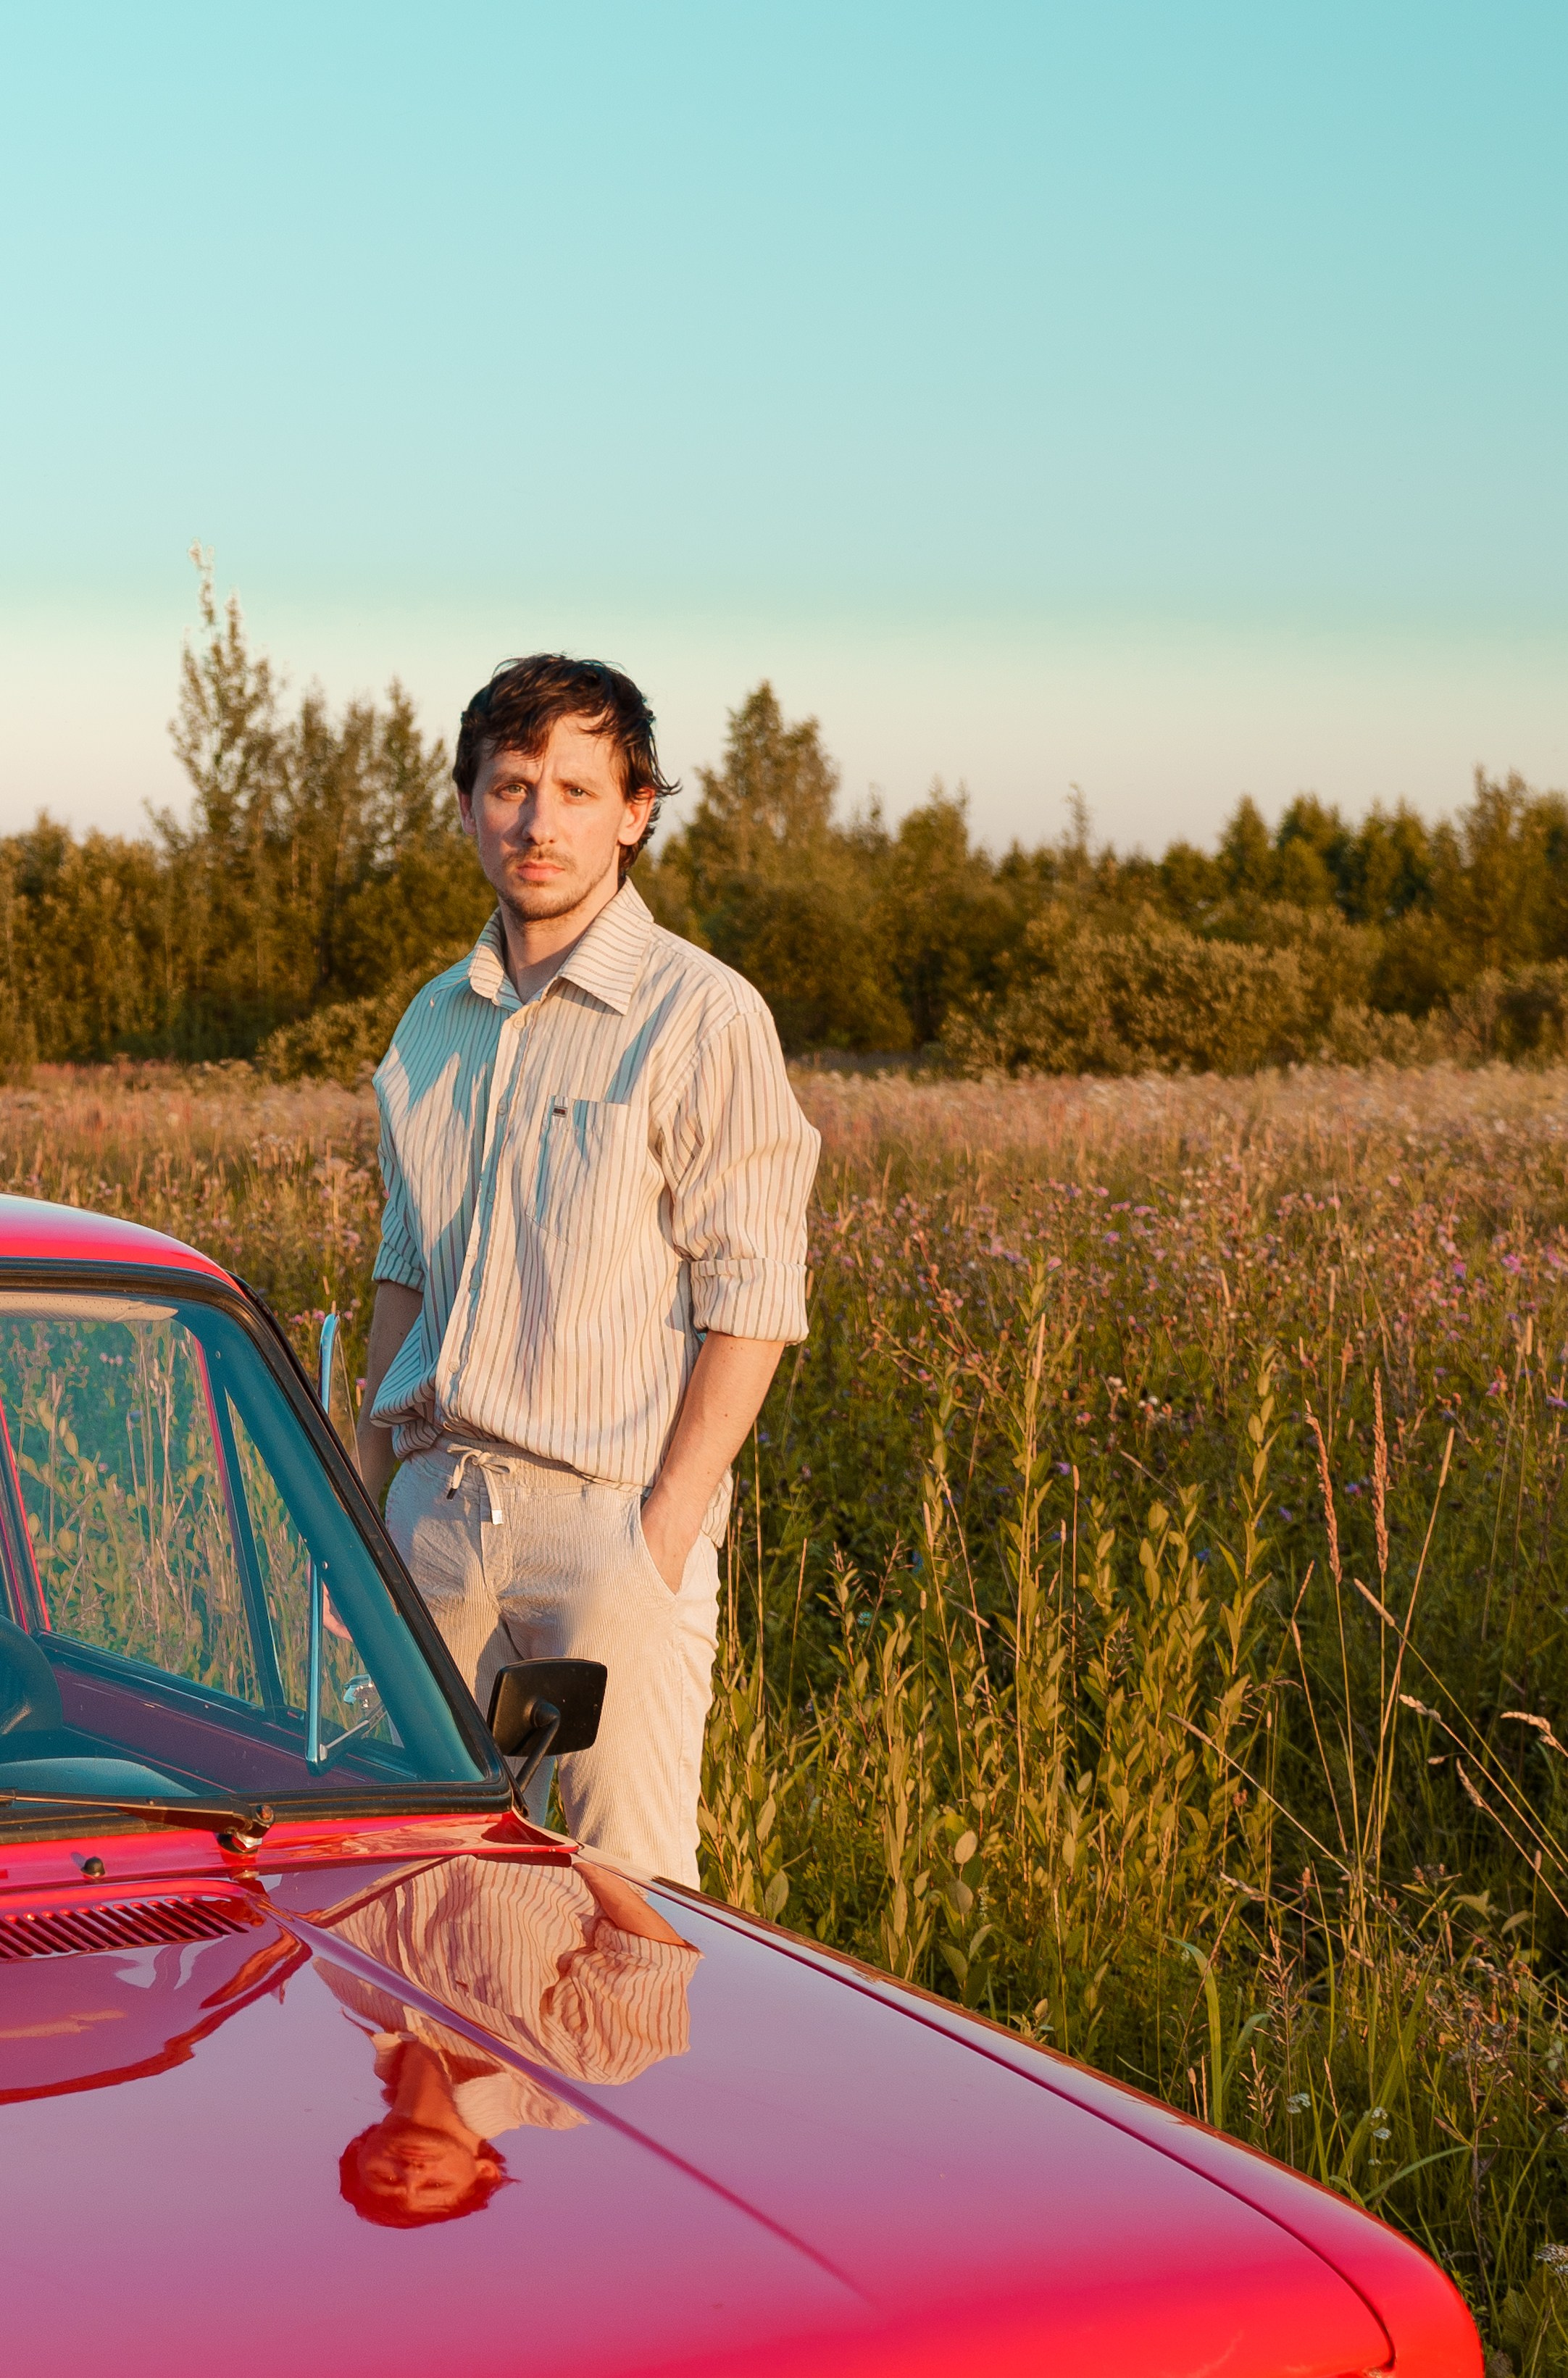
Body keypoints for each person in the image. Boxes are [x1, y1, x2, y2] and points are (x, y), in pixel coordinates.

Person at [356, 655, 820, 1885]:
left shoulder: (703, 1018)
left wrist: (661, 1530)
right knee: (411, 1885)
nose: (536, 819)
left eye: (574, 787)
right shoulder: (431, 1024)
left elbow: (755, 1293)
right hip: (437, 1513)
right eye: (510, 786)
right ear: (466, 806)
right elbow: (401, 1266)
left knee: (628, 1910)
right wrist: (363, 1501)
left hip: (610, 1523)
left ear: (635, 810)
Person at [325, 1855, 698, 2227]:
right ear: (484, 2172)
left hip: (418, 1817)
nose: (411, 2171)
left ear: (358, 2151)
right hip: (592, 1851)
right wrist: (572, 1852)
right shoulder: (585, 2063)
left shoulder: (347, 1987)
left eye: (386, 2179)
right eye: (435, 2184)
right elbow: (650, 1955)